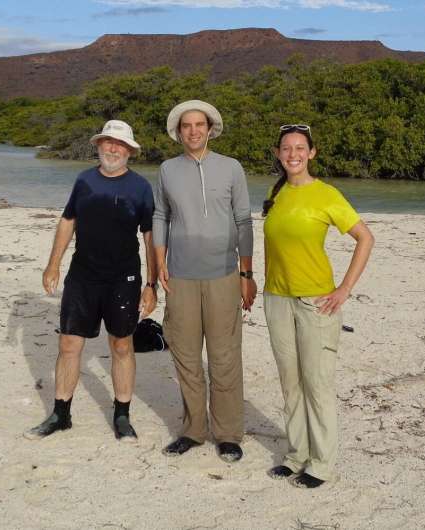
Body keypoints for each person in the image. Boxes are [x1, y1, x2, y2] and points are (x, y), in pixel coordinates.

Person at [26, 119, 157, 441]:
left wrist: (151, 284)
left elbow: (150, 236)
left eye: (120, 144)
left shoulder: (141, 187)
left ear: (130, 151)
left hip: (123, 277)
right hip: (83, 275)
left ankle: (122, 415)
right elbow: (68, 221)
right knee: (69, 342)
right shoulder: (84, 180)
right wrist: (52, 265)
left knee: (122, 344)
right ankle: (61, 413)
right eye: (108, 142)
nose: (113, 149)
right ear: (98, 146)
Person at [262, 124, 374, 488]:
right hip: (276, 298)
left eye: (300, 148)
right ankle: (297, 455)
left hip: (315, 303)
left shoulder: (326, 194)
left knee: (317, 383)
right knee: (290, 382)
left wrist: (344, 289)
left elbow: (365, 238)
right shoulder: (275, 192)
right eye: (286, 148)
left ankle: (322, 464)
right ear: (278, 154)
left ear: (312, 153)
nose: (292, 154)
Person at [153, 100, 256, 462]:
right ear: (178, 132)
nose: (194, 131)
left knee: (225, 355)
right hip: (179, 276)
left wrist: (247, 274)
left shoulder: (231, 168)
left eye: (200, 125)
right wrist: (159, 262)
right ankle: (194, 430)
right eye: (187, 126)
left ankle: (228, 433)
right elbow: (160, 216)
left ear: (210, 129)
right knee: (185, 354)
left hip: (223, 275)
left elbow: (243, 220)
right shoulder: (167, 169)